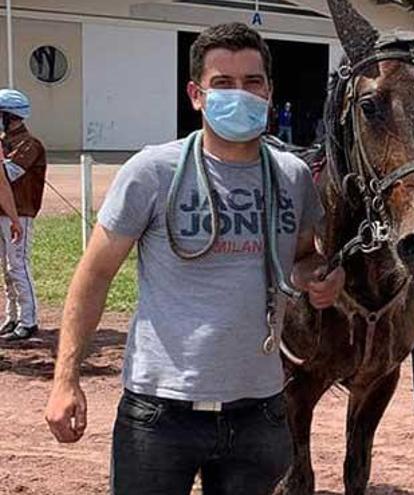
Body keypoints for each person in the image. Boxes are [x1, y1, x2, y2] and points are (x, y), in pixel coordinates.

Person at [44, 22, 344, 495]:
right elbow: (95, 273)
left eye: (253, 82)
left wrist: (321, 276)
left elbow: (304, 258)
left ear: (269, 91)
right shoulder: (152, 172)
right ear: (196, 94)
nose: (240, 94)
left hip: (260, 410)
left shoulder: (292, 177)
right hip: (160, 415)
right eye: (222, 83)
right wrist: (65, 379)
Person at [0, 89, 40, 342]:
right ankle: (11, 316)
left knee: (18, 266)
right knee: (6, 269)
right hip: (2, 212)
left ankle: (29, 320)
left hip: (20, 212)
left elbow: (8, 174)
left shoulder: (29, 144)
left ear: (9, 116)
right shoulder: (6, 143)